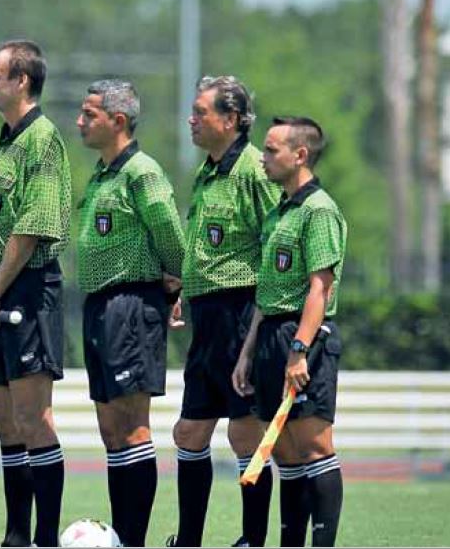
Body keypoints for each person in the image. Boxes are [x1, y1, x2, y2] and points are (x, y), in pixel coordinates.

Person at [0, 39, 71, 548]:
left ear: (21, 81)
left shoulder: (42, 139)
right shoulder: (4, 139)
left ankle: (46, 538)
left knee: (33, 417)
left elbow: (32, 227)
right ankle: (15, 535)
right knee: (4, 417)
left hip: (24, 289)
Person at [169, 76, 280, 548]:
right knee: (189, 430)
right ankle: (189, 540)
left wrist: (257, 332)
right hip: (208, 318)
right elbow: (205, 243)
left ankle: (252, 540)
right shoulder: (207, 170)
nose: (191, 120)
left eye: (201, 111)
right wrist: (183, 287)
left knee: (245, 435)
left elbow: (276, 244)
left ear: (231, 120)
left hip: (242, 314)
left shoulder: (256, 171)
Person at [74, 80, 186, 547]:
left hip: (132, 303)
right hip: (100, 305)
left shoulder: (142, 172)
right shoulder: (103, 175)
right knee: (110, 428)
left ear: (118, 121)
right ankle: (122, 536)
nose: (79, 122)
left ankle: (133, 541)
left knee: (133, 425)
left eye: (89, 114)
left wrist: (174, 285)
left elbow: (171, 235)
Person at [233, 117, 347, 548]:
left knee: (314, 444)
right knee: (282, 451)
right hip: (270, 336)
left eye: (271, 150)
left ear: (300, 155)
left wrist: (299, 349)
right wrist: (248, 352)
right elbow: (268, 292)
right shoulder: (280, 211)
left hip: (304, 338)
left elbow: (320, 287)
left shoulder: (320, 211)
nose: (263, 158)